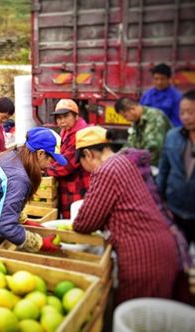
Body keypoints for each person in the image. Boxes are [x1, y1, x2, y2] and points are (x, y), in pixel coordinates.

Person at [72, 126, 178, 305]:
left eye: (81, 162)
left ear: (88, 154)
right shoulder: (123, 162)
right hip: (160, 248)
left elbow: (85, 223)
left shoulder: (106, 170)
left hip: (144, 257)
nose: (85, 170)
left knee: (137, 316)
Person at [0, 127, 68, 255]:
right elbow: (6, 227)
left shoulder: (12, 155)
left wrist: (22, 219)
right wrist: (38, 243)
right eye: (52, 160)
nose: (51, 165)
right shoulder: (19, 178)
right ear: (40, 153)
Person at [157, 90, 195, 245]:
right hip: (175, 208)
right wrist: (160, 200)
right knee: (179, 251)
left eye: (191, 112)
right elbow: (164, 170)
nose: (185, 117)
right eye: (182, 112)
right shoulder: (172, 136)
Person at [46, 99, 90, 219]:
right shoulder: (67, 130)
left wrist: (45, 169)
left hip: (78, 185)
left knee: (77, 218)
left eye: (66, 116)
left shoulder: (79, 135)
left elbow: (66, 165)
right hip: (69, 184)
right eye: (59, 118)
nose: (62, 121)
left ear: (76, 116)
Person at [114, 97, 171, 167]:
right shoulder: (136, 121)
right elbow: (130, 144)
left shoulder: (154, 117)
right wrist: (118, 157)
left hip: (161, 165)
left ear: (132, 109)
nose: (126, 120)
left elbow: (154, 149)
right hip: (147, 163)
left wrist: (135, 164)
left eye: (125, 116)